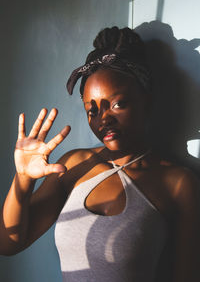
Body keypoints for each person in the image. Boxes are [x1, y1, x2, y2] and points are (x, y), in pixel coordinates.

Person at [0, 26, 200, 282]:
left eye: (117, 104)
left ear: (146, 100)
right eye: (92, 110)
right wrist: (23, 179)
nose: (104, 119)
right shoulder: (75, 165)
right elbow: (8, 244)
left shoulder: (178, 183)